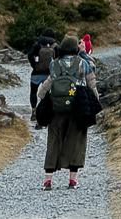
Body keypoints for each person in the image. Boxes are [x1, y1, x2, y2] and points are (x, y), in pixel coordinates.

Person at [36, 35, 98, 190]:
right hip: (78, 106)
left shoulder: (54, 63)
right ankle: (72, 180)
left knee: (54, 139)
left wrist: (41, 96)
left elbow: (49, 83)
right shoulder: (82, 63)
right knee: (76, 140)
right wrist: (95, 101)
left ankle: (48, 180)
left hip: (56, 106)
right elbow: (91, 83)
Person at [26, 29, 58, 124]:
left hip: (36, 72)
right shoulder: (54, 45)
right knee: (46, 93)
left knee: (33, 92)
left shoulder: (37, 44)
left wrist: (34, 66)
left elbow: (29, 55)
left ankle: (33, 111)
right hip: (48, 73)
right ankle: (44, 111)